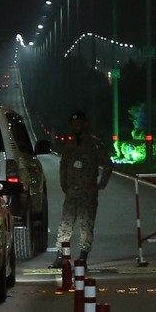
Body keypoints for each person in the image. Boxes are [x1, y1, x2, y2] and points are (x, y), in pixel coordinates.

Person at [49, 110, 113, 268]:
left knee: (86, 224)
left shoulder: (94, 144)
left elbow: (108, 165)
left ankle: (83, 257)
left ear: (85, 124)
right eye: (73, 124)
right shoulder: (70, 144)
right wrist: (63, 182)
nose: (76, 126)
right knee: (66, 223)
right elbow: (63, 164)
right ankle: (61, 256)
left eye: (79, 123)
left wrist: (100, 185)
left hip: (87, 192)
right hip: (71, 191)